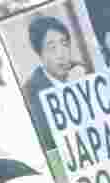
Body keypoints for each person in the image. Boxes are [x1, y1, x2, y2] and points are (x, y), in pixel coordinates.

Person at [23, 15, 87, 146]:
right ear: (40, 54)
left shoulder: (83, 71)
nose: (61, 54)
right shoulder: (30, 92)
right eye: (52, 48)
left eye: (64, 44)